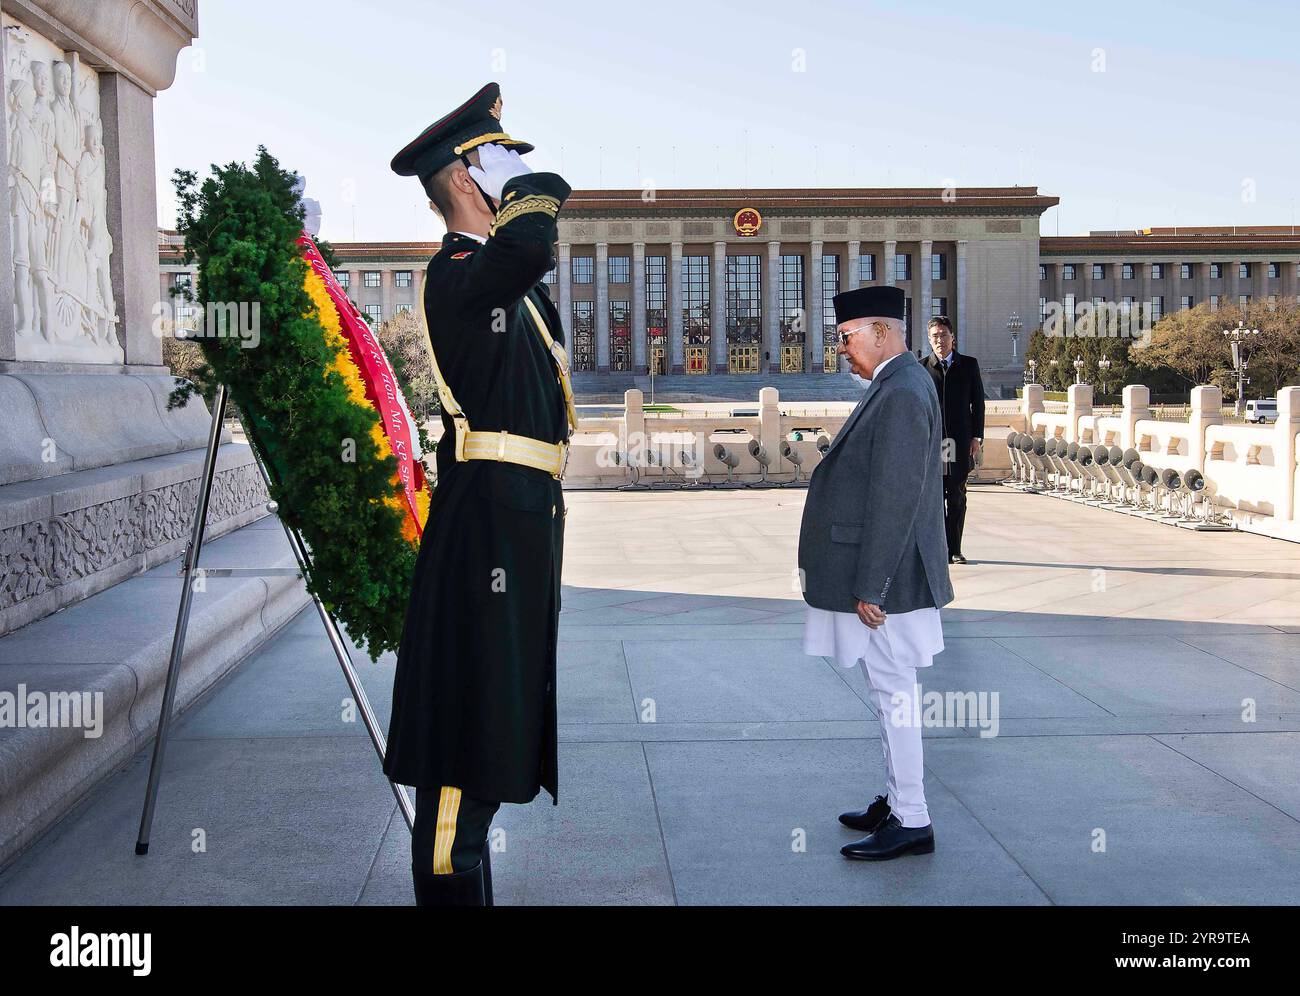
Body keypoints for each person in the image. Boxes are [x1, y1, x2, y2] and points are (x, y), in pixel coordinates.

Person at [385, 82, 577, 906]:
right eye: (497, 159)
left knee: (499, 708)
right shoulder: (458, 273)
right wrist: (530, 191)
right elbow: (530, 243)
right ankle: (451, 889)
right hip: (488, 527)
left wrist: (515, 185)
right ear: (467, 180)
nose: (514, 173)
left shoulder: (502, 285)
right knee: (467, 732)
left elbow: (531, 260)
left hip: (518, 517)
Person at [798, 286, 953, 861]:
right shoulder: (896, 383)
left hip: (893, 580)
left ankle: (911, 816)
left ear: (881, 331)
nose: (840, 348)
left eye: (845, 336)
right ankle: (897, 798)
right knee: (889, 691)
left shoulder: (904, 390)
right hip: (889, 574)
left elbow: (897, 496)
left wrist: (873, 585)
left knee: (895, 695)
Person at [921, 316, 985, 564]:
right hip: (933, 443)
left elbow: (978, 403)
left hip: (959, 442)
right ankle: (937, 549)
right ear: (929, 339)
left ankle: (954, 549)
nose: (940, 340)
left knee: (957, 495)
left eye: (943, 335)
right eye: (935, 336)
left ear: (952, 337)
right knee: (934, 498)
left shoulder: (968, 365)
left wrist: (976, 436)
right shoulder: (922, 368)